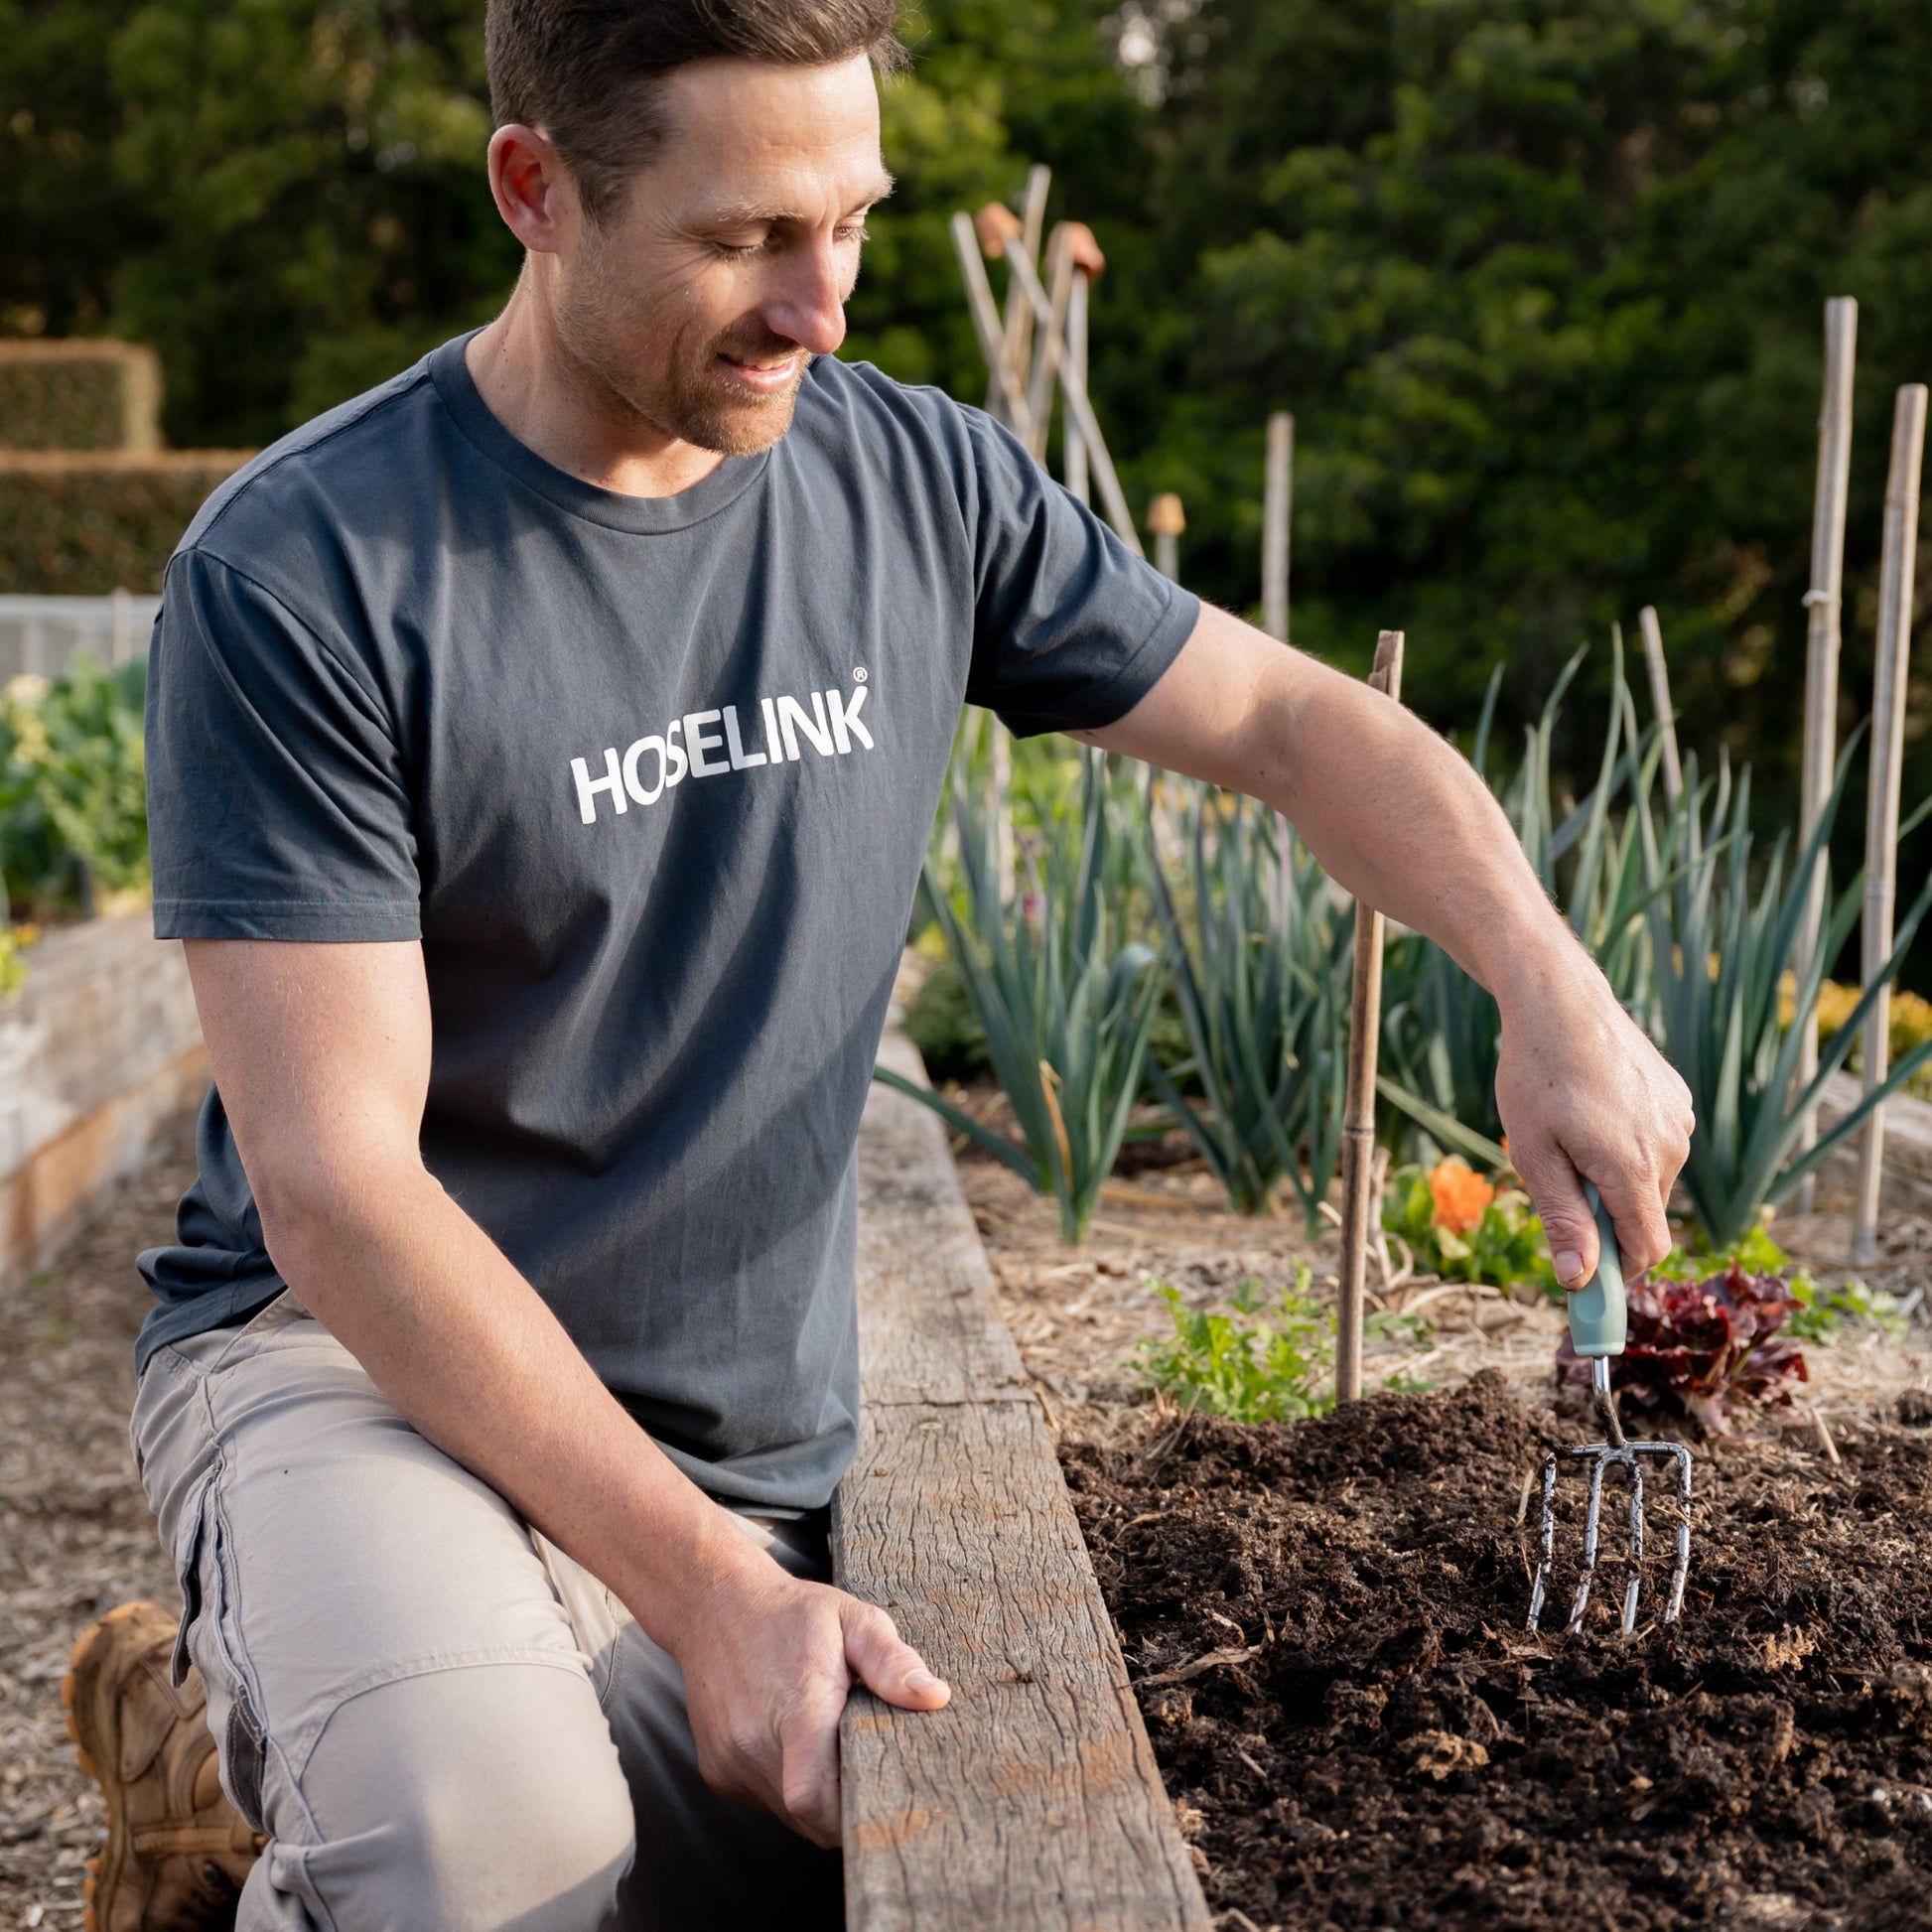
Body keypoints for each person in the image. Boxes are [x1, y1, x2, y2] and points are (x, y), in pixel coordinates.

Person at [62, 0, 1695, 1925]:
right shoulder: (312, 569)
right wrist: (717, 1591)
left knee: (823, 1853)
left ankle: (240, 1752)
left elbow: (1286, 722)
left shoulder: (917, 488)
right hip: (355, 1371)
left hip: (728, 1418)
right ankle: (347, 1725)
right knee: (485, 1851)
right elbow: (339, 1191)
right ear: (537, 191)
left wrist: (1549, 986)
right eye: (745, 236)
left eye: (853, 222)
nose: (819, 306)